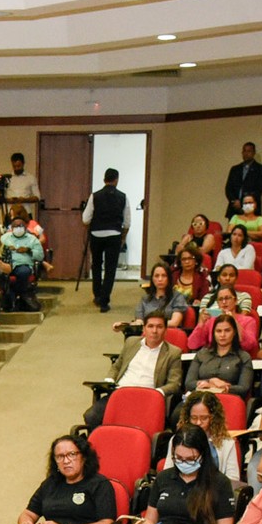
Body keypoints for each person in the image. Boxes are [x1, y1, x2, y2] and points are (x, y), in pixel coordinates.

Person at [85, 313, 183, 431]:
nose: (154, 331)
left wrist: (157, 393)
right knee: (91, 416)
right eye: (150, 326)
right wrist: (109, 380)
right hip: (120, 393)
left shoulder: (173, 352)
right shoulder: (131, 342)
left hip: (146, 398)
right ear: (144, 329)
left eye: (159, 327)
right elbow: (117, 366)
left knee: (136, 426)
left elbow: (174, 383)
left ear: (165, 330)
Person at [141, 425, 235, 524]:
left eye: (190, 459)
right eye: (179, 458)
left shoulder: (220, 482)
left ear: (202, 455)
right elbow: (150, 519)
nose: (184, 463)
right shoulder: (163, 477)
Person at [161, 391, 241, 485]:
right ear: (188, 417)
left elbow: (233, 479)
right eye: (194, 418)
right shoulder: (177, 439)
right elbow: (167, 473)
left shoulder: (227, 442)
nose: (198, 423)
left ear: (213, 417)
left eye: (204, 418)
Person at [81, 168, 130, 313]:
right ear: (116, 180)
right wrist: (123, 236)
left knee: (96, 265)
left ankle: (97, 295)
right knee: (110, 268)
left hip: (96, 234)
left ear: (104, 180)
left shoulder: (94, 196)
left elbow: (85, 219)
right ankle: (104, 301)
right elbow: (127, 222)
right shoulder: (123, 197)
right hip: (114, 234)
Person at [114, 264, 189, 336]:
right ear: (152, 279)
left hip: (169, 335)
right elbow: (139, 322)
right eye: (156, 276)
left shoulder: (178, 297)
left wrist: (152, 325)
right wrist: (125, 325)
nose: (160, 279)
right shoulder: (145, 299)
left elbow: (174, 322)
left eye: (164, 276)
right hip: (148, 336)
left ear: (169, 278)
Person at [223, 142, 262, 218]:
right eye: (244, 151)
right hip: (234, 209)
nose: (246, 153)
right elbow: (228, 188)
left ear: (254, 153)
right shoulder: (235, 169)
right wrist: (234, 201)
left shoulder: (261, 169)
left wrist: (242, 202)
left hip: (251, 208)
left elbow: (259, 190)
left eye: (249, 151)